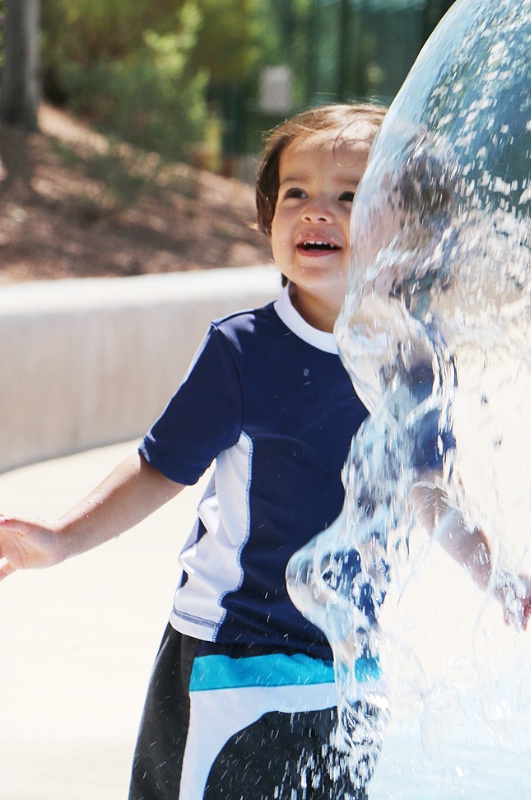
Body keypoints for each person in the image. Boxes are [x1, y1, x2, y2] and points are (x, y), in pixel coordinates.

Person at [0, 102, 387, 800]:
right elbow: (159, 468)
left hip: (344, 664)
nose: (314, 211)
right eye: (294, 193)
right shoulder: (244, 353)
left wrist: (488, 565)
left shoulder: (410, 360)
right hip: (229, 652)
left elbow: (428, 483)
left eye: (349, 196)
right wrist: (60, 539)